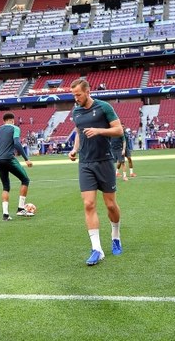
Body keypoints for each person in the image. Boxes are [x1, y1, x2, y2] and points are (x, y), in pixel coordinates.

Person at [68, 78, 124, 266]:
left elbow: (119, 130)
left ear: (88, 92)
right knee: (89, 204)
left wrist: (99, 131)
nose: (76, 98)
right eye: (74, 95)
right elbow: (78, 132)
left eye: (78, 95)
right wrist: (75, 149)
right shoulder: (75, 111)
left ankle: (115, 236)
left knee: (110, 205)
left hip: (105, 161)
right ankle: (97, 249)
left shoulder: (104, 107)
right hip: (85, 163)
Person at [0, 112, 34, 221]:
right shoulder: (15, 128)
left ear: (3, 121)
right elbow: (16, 143)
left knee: (6, 186)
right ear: (12, 120)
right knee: (25, 180)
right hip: (9, 158)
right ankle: (21, 209)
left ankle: (5, 215)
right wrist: (26, 159)